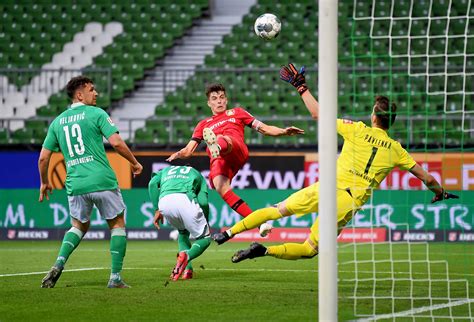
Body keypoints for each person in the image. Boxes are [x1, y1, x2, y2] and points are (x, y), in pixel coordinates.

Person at [213, 63, 459, 263]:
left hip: (326, 187)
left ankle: (229, 232)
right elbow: (427, 179)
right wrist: (440, 192)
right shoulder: (397, 150)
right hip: (347, 200)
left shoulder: (357, 129)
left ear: (373, 116)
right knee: (309, 249)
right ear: (391, 122)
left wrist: (301, 87)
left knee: (277, 210)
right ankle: (264, 251)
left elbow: (318, 115)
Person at [38, 75, 143, 288]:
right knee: (117, 224)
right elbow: (117, 143)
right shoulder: (96, 113)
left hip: (75, 184)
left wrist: (44, 182)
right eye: (92, 89)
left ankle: (59, 263)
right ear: (80, 94)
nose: (96, 93)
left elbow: (43, 158)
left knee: (78, 226)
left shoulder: (57, 122)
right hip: (101, 180)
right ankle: (115, 278)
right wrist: (134, 162)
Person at [166, 83, 304, 237]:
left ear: (226, 100)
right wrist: (179, 154)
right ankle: (260, 224)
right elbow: (189, 150)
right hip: (219, 159)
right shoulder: (203, 125)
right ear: (209, 103)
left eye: (222, 97)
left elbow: (264, 128)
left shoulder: (237, 113)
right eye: (214, 98)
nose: (219, 101)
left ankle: (217, 145)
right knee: (220, 186)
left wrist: (284, 131)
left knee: (221, 138)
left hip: (235, 148)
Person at [148, 165, 211, 281]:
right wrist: (206, 220)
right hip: (185, 198)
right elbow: (204, 202)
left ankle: (188, 271)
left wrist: (156, 209)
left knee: (183, 233)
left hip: (164, 202)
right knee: (205, 238)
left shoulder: (165, 170)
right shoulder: (196, 173)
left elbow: (152, 184)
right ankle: (186, 257)